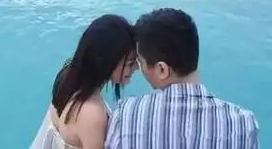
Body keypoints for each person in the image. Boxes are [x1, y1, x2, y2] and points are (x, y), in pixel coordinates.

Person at [105, 8, 260, 149]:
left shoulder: (126, 114)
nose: (140, 69)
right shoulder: (243, 124)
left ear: (162, 69)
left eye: (141, 62)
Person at [31, 14, 138, 149]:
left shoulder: (67, 76)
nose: (136, 68)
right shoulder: (92, 114)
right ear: (108, 61)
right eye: (130, 63)